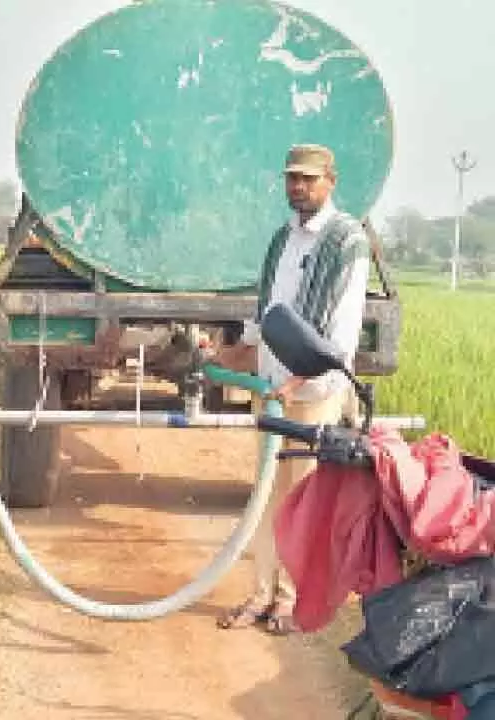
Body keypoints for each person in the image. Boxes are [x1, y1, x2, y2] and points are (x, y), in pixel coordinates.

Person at [210, 143, 371, 635]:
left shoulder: (347, 242)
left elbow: (342, 333)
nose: (298, 187)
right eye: (292, 178)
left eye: (308, 179)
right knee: (265, 494)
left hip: (312, 393)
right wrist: (228, 356)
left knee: (301, 498)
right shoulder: (282, 239)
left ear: (330, 182)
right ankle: (260, 593)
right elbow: (265, 313)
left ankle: (289, 600)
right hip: (271, 387)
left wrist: (298, 381)